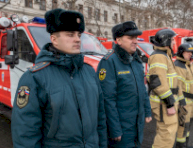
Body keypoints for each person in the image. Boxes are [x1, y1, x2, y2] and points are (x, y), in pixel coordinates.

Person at [11, 8, 107, 148]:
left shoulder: (88, 71)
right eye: (70, 34)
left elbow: (100, 118)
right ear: (54, 39)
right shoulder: (35, 77)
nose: (77, 39)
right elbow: (25, 133)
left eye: (79, 35)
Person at [97, 21, 152, 148]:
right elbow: (107, 99)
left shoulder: (136, 61)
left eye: (136, 38)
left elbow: (143, 90)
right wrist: (114, 129)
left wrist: (147, 111)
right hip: (121, 130)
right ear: (119, 40)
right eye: (130, 38)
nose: (135, 41)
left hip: (136, 126)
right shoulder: (109, 62)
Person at [147, 29, 178, 148]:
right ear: (166, 40)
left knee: (167, 133)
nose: (174, 43)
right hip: (163, 103)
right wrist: (170, 103)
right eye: (173, 40)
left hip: (165, 102)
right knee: (166, 135)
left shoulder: (164, 55)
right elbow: (157, 82)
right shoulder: (159, 56)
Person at [174, 43, 193, 148]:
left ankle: (185, 144)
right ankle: (180, 145)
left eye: (191, 52)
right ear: (181, 52)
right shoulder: (180, 66)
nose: (190, 54)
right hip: (184, 101)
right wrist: (181, 102)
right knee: (182, 125)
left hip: (191, 101)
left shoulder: (187, 64)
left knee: (188, 124)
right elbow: (178, 86)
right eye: (188, 52)